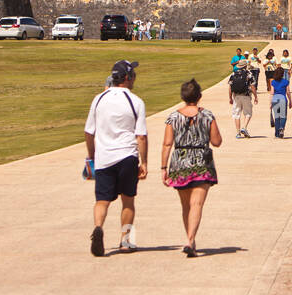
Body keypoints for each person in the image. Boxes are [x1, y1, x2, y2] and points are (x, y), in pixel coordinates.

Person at [84, 60, 148, 256]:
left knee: (102, 200)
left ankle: (98, 227)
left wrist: (92, 156)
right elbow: (141, 136)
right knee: (128, 201)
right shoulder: (135, 101)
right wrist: (144, 162)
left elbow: (89, 132)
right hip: (127, 156)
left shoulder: (99, 99)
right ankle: (126, 240)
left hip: (104, 156)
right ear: (128, 78)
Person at [161, 79, 222, 257]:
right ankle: (190, 239)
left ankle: (190, 240)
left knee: (186, 205)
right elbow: (217, 141)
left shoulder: (173, 117)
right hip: (202, 162)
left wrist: (163, 167)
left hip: (180, 162)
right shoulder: (207, 116)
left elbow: (167, 144)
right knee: (197, 204)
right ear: (199, 96)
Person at [228, 61, 258, 138]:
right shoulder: (249, 74)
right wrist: (255, 96)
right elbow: (252, 86)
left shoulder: (233, 74)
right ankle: (244, 127)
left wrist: (230, 98)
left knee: (236, 114)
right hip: (246, 95)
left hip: (236, 96)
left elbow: (230, 87)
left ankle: (238, 132)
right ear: (245, 66)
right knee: (248, 113)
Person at [269, 67, 292, 138]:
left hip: (275, 99)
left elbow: (272, 92)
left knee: (276, 117)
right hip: (282, 98)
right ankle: (281, 128)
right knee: (283, 116)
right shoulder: (285, 81)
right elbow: (288, 92)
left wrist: (270, 103)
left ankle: (276, 133)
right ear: (282, 74)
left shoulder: (273, 82)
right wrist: (290, 101)